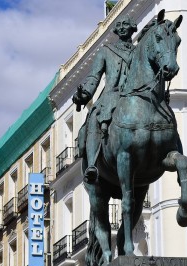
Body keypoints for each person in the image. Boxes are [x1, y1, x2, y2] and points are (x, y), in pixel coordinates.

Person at [72, 15, 138, 183]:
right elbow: (94, 77)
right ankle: (92, 164)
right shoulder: (106, 51)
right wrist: (84, 95)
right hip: (111, 95)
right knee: (94, 118)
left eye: (125, 23)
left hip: (136, 95)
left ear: (132, 27)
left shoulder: (139, 52)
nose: (122, 27)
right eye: (119, 25)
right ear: (116, 30)